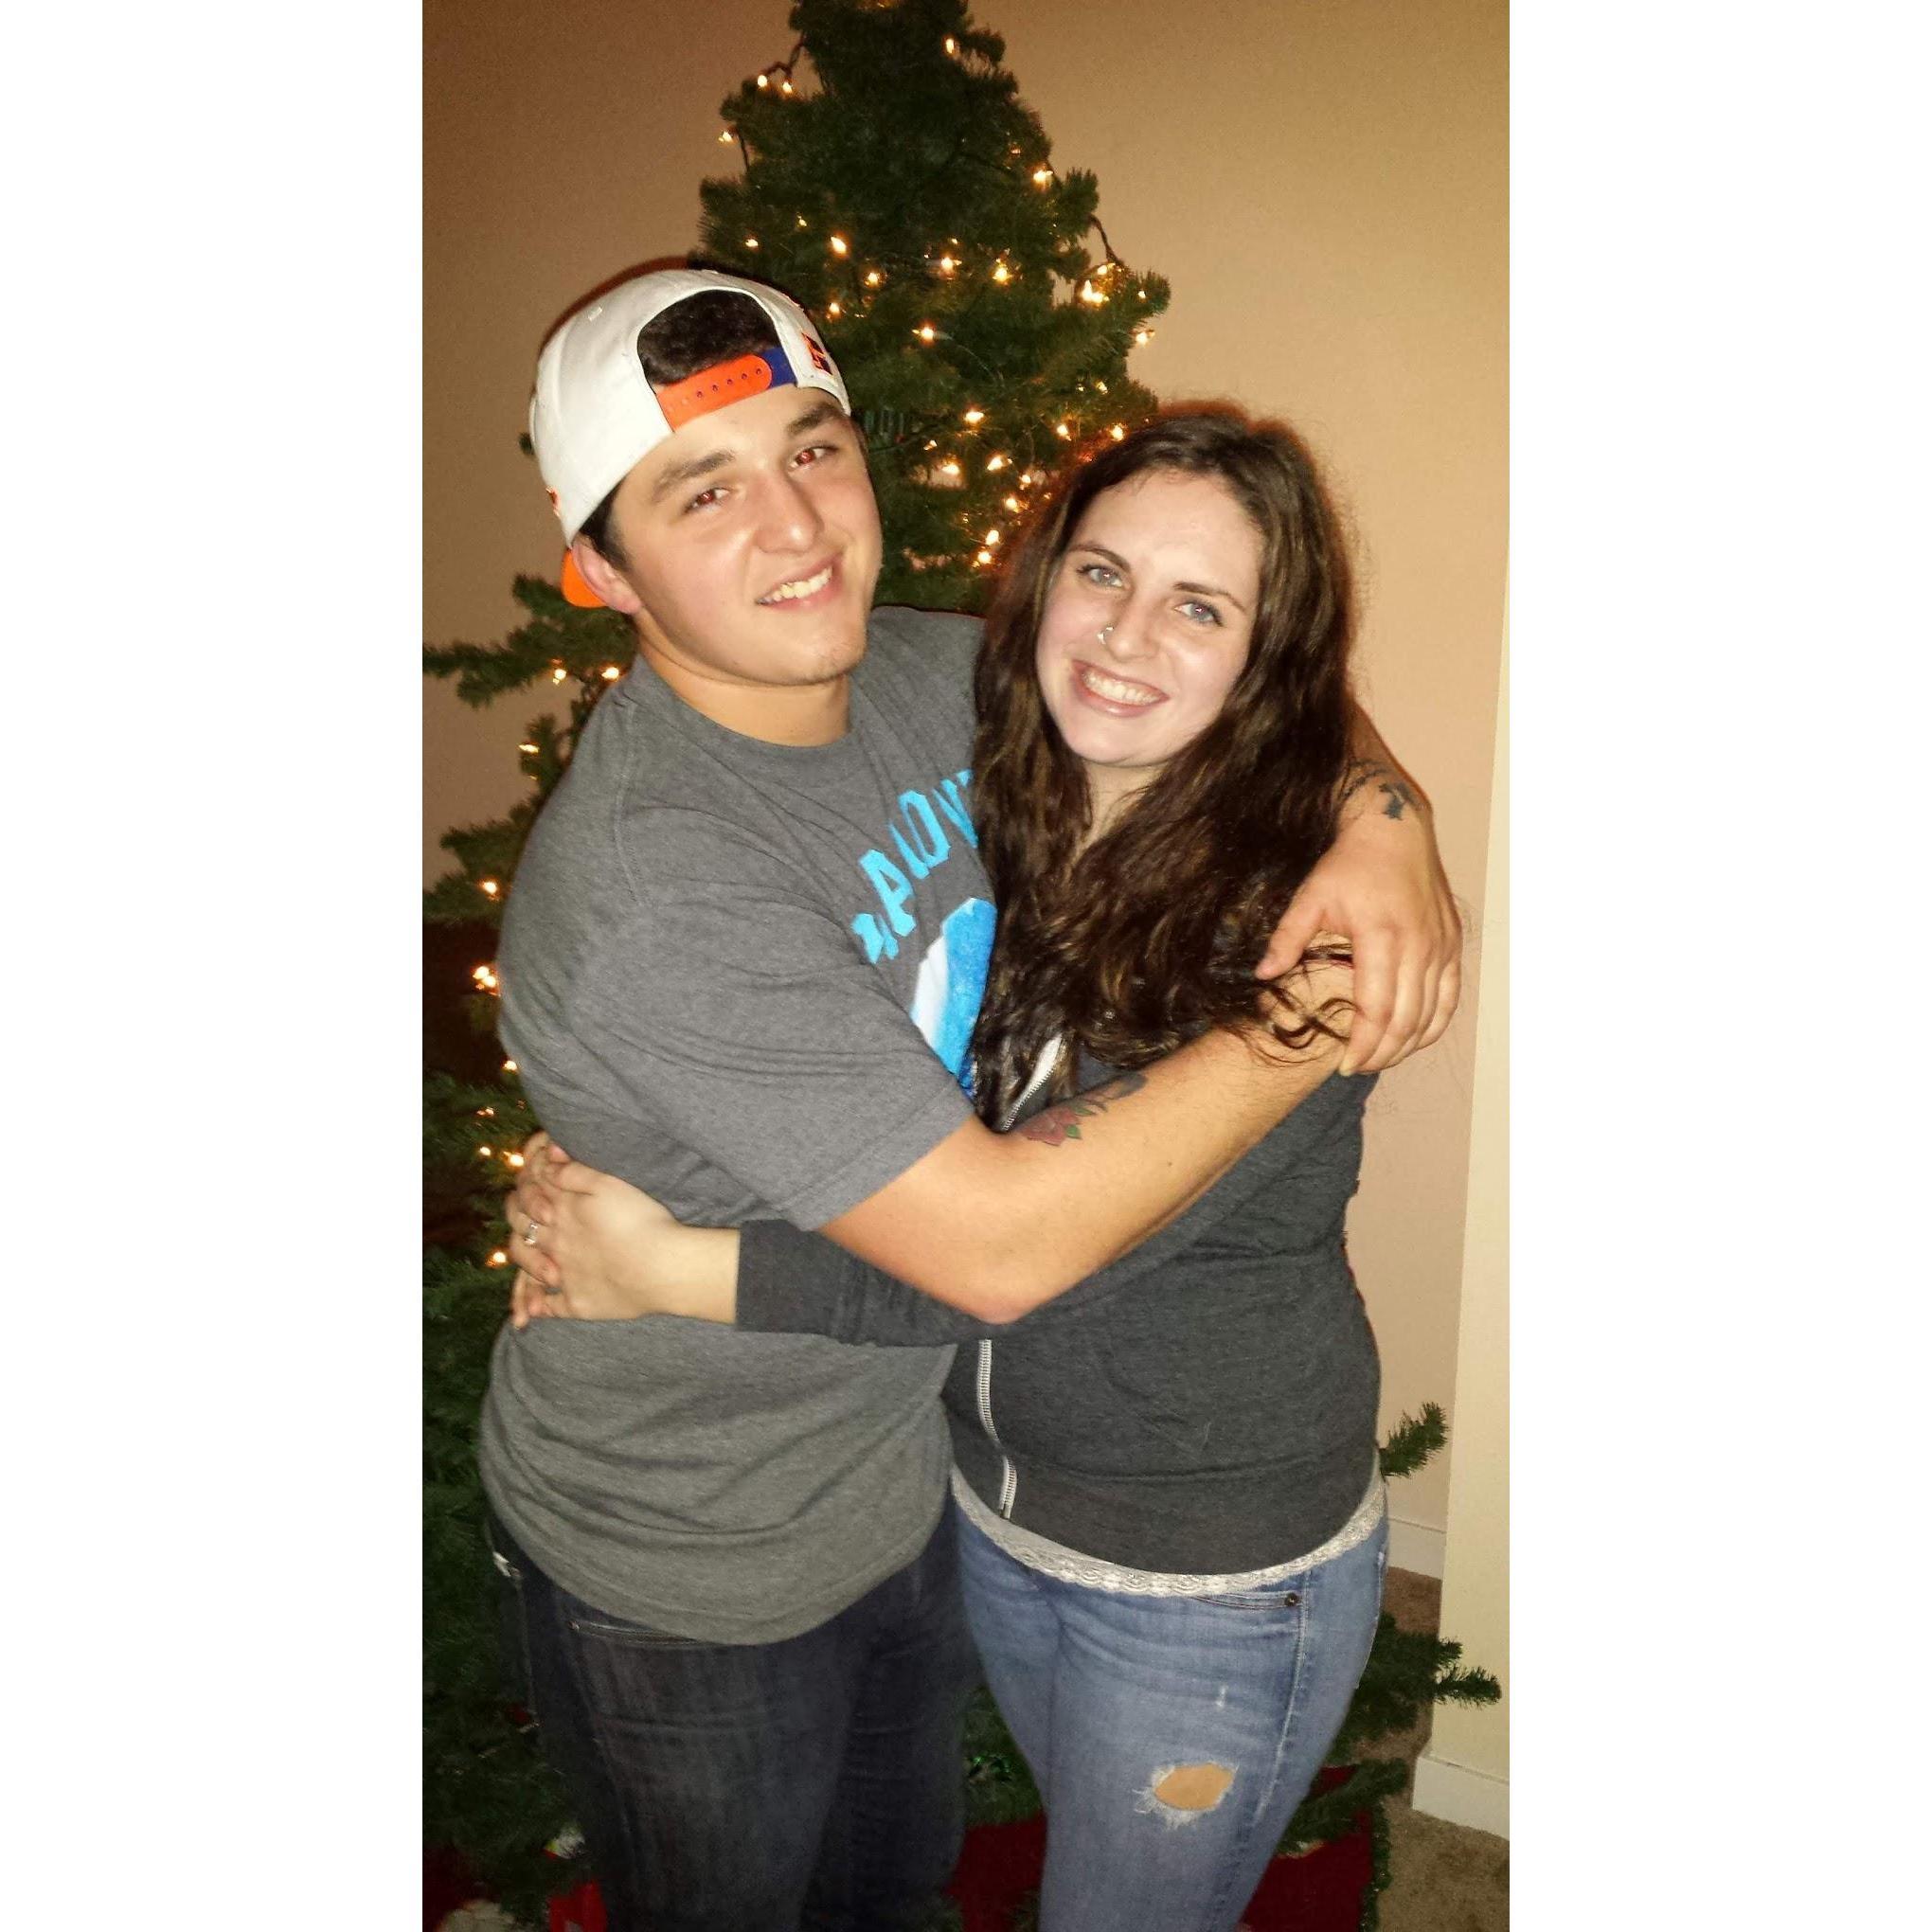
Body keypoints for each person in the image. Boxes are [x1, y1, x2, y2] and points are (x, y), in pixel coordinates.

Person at [483, 265, 1458, 1932]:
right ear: (604, 568)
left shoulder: (929, 677)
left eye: (813, 448)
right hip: (697, 1554)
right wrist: (1317, 1006)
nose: (797, 525)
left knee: (895, 1894)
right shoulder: (663, 883)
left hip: (910, 1490)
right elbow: (1005, 1250)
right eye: (702, 493)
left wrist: (1382, 822)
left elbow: (1230, 652)